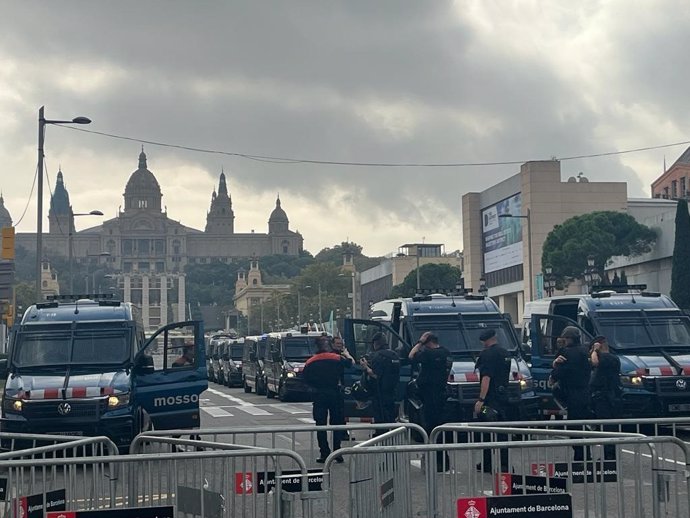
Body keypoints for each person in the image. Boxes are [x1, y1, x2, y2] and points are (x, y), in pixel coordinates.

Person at [303, 335, 354, 463]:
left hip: (319, 396)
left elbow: (305, 380)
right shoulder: (336, 358)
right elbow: (350, 364)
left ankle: (324, 453)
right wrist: (346, 353)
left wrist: (313, 390)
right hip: (335, 394)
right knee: (336, 425)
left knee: (320, 425)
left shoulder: (310, 361)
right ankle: (337, 452)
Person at [409, 331, 452, 472]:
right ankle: (443, 461)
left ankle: (435, 462)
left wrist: (420, 342)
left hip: (429, 395)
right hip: (441, 394)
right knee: (439, 429)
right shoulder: (446, 352)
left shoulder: (428, 354)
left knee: (430, 429)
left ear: (428, 342)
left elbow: (411, 356)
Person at [551, 326, 592, 461]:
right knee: (583, 425)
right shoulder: (585, 351)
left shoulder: (567, 353)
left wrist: (555, 368)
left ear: (569, 338)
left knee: (574, 427)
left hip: (572, 393)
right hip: (586, 392)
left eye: (565, 339)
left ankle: (580, 456)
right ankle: (587, 454)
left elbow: (560, 372)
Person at [474, 329, 511, 473]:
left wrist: (480, 400)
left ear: (485, 341)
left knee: (486, 430)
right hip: (503, 398)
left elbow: (486, 378)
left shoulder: (487, 354)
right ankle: (505, 464)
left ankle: (487, 463)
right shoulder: (505, 353)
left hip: (489, 401)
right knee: (502, 432)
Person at [589, 335, 621, 460]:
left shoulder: (608, 358)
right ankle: (608, 457)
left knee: (607, 428)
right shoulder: (610, 358)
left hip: (606, 399)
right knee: (603, 428)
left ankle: (610, 458)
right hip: (604, 398)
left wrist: (596, 350)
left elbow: (595, 361)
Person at [360, 332, 401, 427]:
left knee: (381, 420)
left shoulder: (378, 356)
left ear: (376, 343)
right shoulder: (394, 355)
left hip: (380, 393)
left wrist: (365, 367)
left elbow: (375, 375)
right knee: (391, 418)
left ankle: (381, 437)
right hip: (392, 392)